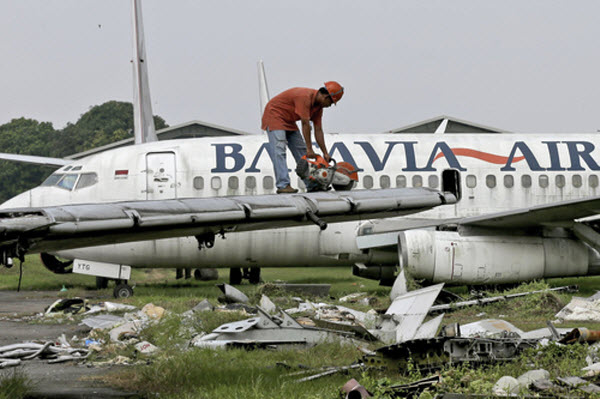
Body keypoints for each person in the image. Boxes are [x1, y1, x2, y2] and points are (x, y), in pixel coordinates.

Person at [261, 81, 344, 193]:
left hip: (289, 120)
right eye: (331, 102)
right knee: (279, 150)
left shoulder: (318, 107)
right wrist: (310, 149)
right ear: (325, 96)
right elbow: (305, 124)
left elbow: (318, 130)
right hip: (275, 115)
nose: (329, 106)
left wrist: (325, 153)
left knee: (301, 152)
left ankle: (312, 185)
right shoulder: (304, 97)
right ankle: (283, 185)